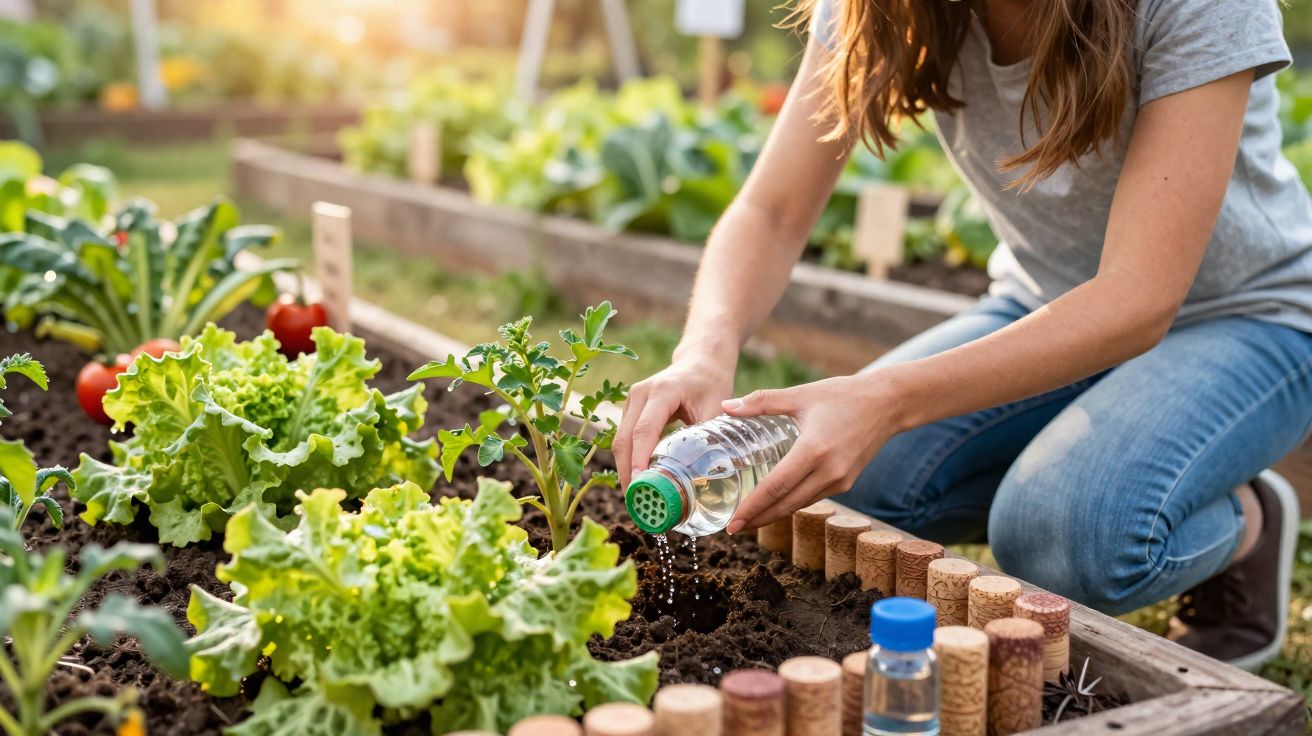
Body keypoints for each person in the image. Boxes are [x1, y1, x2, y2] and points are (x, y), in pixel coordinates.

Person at [613, 0, 1312, 671]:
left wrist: (885, 398)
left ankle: (1252, 522)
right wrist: (704, 350)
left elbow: (1138, 299)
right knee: (840, 485)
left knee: (1061, 536)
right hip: (1041, 306)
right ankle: (1097, 451)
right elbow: (772, 209)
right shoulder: (889, 7)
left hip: (1247, 317)